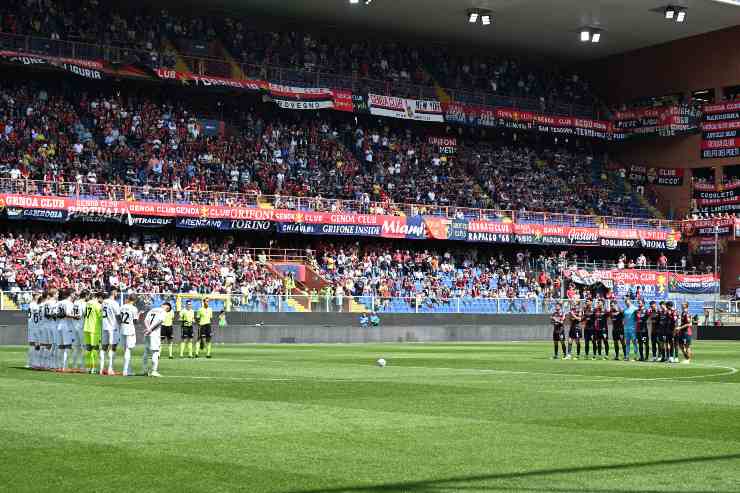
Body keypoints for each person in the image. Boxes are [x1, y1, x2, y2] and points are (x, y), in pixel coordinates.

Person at [142, 302, 172, 377]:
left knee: (146, 351)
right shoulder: (163, 312)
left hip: (147, 332)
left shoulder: (152, 310)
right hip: (154, 333)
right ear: (167, 307)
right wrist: (151, 329)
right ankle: (154, 371)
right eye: (167, 309)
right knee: (155, 352)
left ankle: (145, 370)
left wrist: (148, 329)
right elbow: (159, 322)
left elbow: (145, 320)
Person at [101, 289, 121, 375]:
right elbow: (118, 315)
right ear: (114, 292)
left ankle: (101, 369)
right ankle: (110, 369)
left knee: (104, 348)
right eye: (117, 292)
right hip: (112, 327)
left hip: (104, 326)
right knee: (113, 347)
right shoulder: (115, 303)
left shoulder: (104, 301)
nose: (117, 294)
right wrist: (121, 324)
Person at [55, 289, 76, 372]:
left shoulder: (59, 302)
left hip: (59, 325)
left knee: (61, 346)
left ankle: (60, 366)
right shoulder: (69, 303)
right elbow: (68, 314)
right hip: (67, 326)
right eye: (74, 293)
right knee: (67, 346)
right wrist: (75, 316)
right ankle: (64, 367)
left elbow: (55, 314)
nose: (75, 295)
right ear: (70, 294)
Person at [83, 293, 104, 374]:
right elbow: (101, 316)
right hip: (94, 329)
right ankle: (93, 368)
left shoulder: (87, 304)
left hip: (86, 328)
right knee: (94, 349)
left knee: (88, 349)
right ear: (96, 298)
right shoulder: (97, 305)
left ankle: (88, 367)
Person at [119, 295, 140, 376]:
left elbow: (119, 318)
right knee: (128, 350)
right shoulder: (134, 308)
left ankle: (128, 369)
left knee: (125, 350)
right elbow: (135, 322)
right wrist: (138, 316)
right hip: (130, 330)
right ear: (134, 300)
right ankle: (125, 371)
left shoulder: (122, 307)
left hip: (122, 328)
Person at [71, 291, 87, 372]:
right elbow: (85, 314)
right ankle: (82, 366)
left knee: (75, 347)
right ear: (86, 296)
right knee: (82, 347)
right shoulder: (84, 304)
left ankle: (74, 365)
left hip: (74, 326)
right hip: (81, 327)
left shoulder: (75, 302)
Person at [26, 293, 42, 369]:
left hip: (31, 325)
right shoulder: (35, 305)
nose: (40, 296)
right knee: (36, 344)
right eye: (38, 295)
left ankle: (30, 362)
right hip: (35, 326)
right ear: (35, 296)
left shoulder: (31, 304)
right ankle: (35, 362)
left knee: (32, 344)